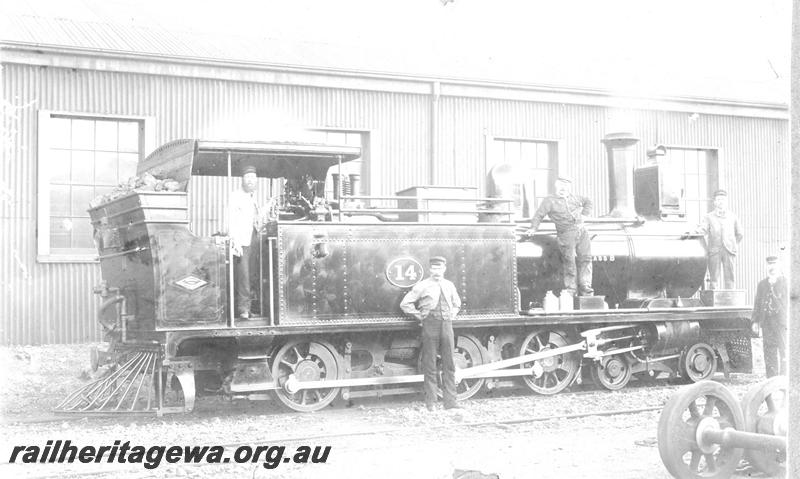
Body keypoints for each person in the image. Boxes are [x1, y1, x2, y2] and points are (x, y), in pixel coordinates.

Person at [400, 256, 462, 411]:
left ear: (444, 269)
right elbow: (405, 304)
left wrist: (452, 315)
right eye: (434, 268)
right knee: (430, 364)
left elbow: (457, 304)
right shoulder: (422, 285)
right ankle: (431, 402)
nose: (436, 271)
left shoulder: (449, 285)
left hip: (447, 325)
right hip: (430, 325)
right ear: (429, 269)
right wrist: (420, 316)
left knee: (449, 363)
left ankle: (450, 402)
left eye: (439, 268)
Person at [525, 176, 594, 297]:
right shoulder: (549, 201)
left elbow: (588, 201)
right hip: (566, 234)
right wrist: (533, 228)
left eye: (565, 187)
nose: (563, 189)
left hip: (582, 232)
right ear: (556, 187)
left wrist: (585, 215)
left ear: (569, 188)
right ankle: (571, 291)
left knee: (586, 259)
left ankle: (586, 289)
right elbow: (538, 215)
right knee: (569, 262)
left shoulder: (576, 198)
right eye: (560, 186)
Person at [227, 165, 263, 320]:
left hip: (253, 239)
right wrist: (234, 240)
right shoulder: (235, 196)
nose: (250, 180)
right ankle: (243, 309)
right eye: (247, 177)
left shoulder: (252, 198)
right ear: (242, 179)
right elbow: (230, 219)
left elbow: (255, 219)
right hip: (241, 241)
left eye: (253, 178)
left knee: (252, 275)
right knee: (243, 276)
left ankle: (249, 308)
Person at [697, 189, 743, 289]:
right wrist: (696, 231)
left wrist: (732, 244)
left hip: (729, 251)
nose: (721, 202)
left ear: (726, 202)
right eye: (718, 199)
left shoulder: (733, 217)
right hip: (714, 251)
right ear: (714, 202)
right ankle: (714, 297)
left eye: (723, 199)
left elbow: (740, 234)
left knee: (730, 277)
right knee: (714, 278)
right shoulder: (708, 217)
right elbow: (703, 230)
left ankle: (730, 297)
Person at [751, 256, 788, 378]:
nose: (772, 267)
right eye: (769, 264)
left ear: (779, 265)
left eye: (774, 264)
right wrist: (755, 321)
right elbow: (757, 303)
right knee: (769, 351)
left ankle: (784, 379)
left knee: (784, 351)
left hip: (782, 323)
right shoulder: (762, 284)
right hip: (767, 322)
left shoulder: (786, 283)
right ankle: (771, 380)